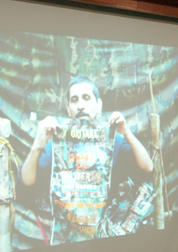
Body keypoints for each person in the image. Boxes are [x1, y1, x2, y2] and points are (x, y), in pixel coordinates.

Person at [20, 75, 153, 244]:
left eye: (86, 98)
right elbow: (27, 181)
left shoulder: (113, 141)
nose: (80, 105)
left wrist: (126, 131)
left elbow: (147, 167)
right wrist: (37, 145)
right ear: (68, 108)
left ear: (98, 105)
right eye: (74, 100)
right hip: (66, 240)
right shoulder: (57, 142)